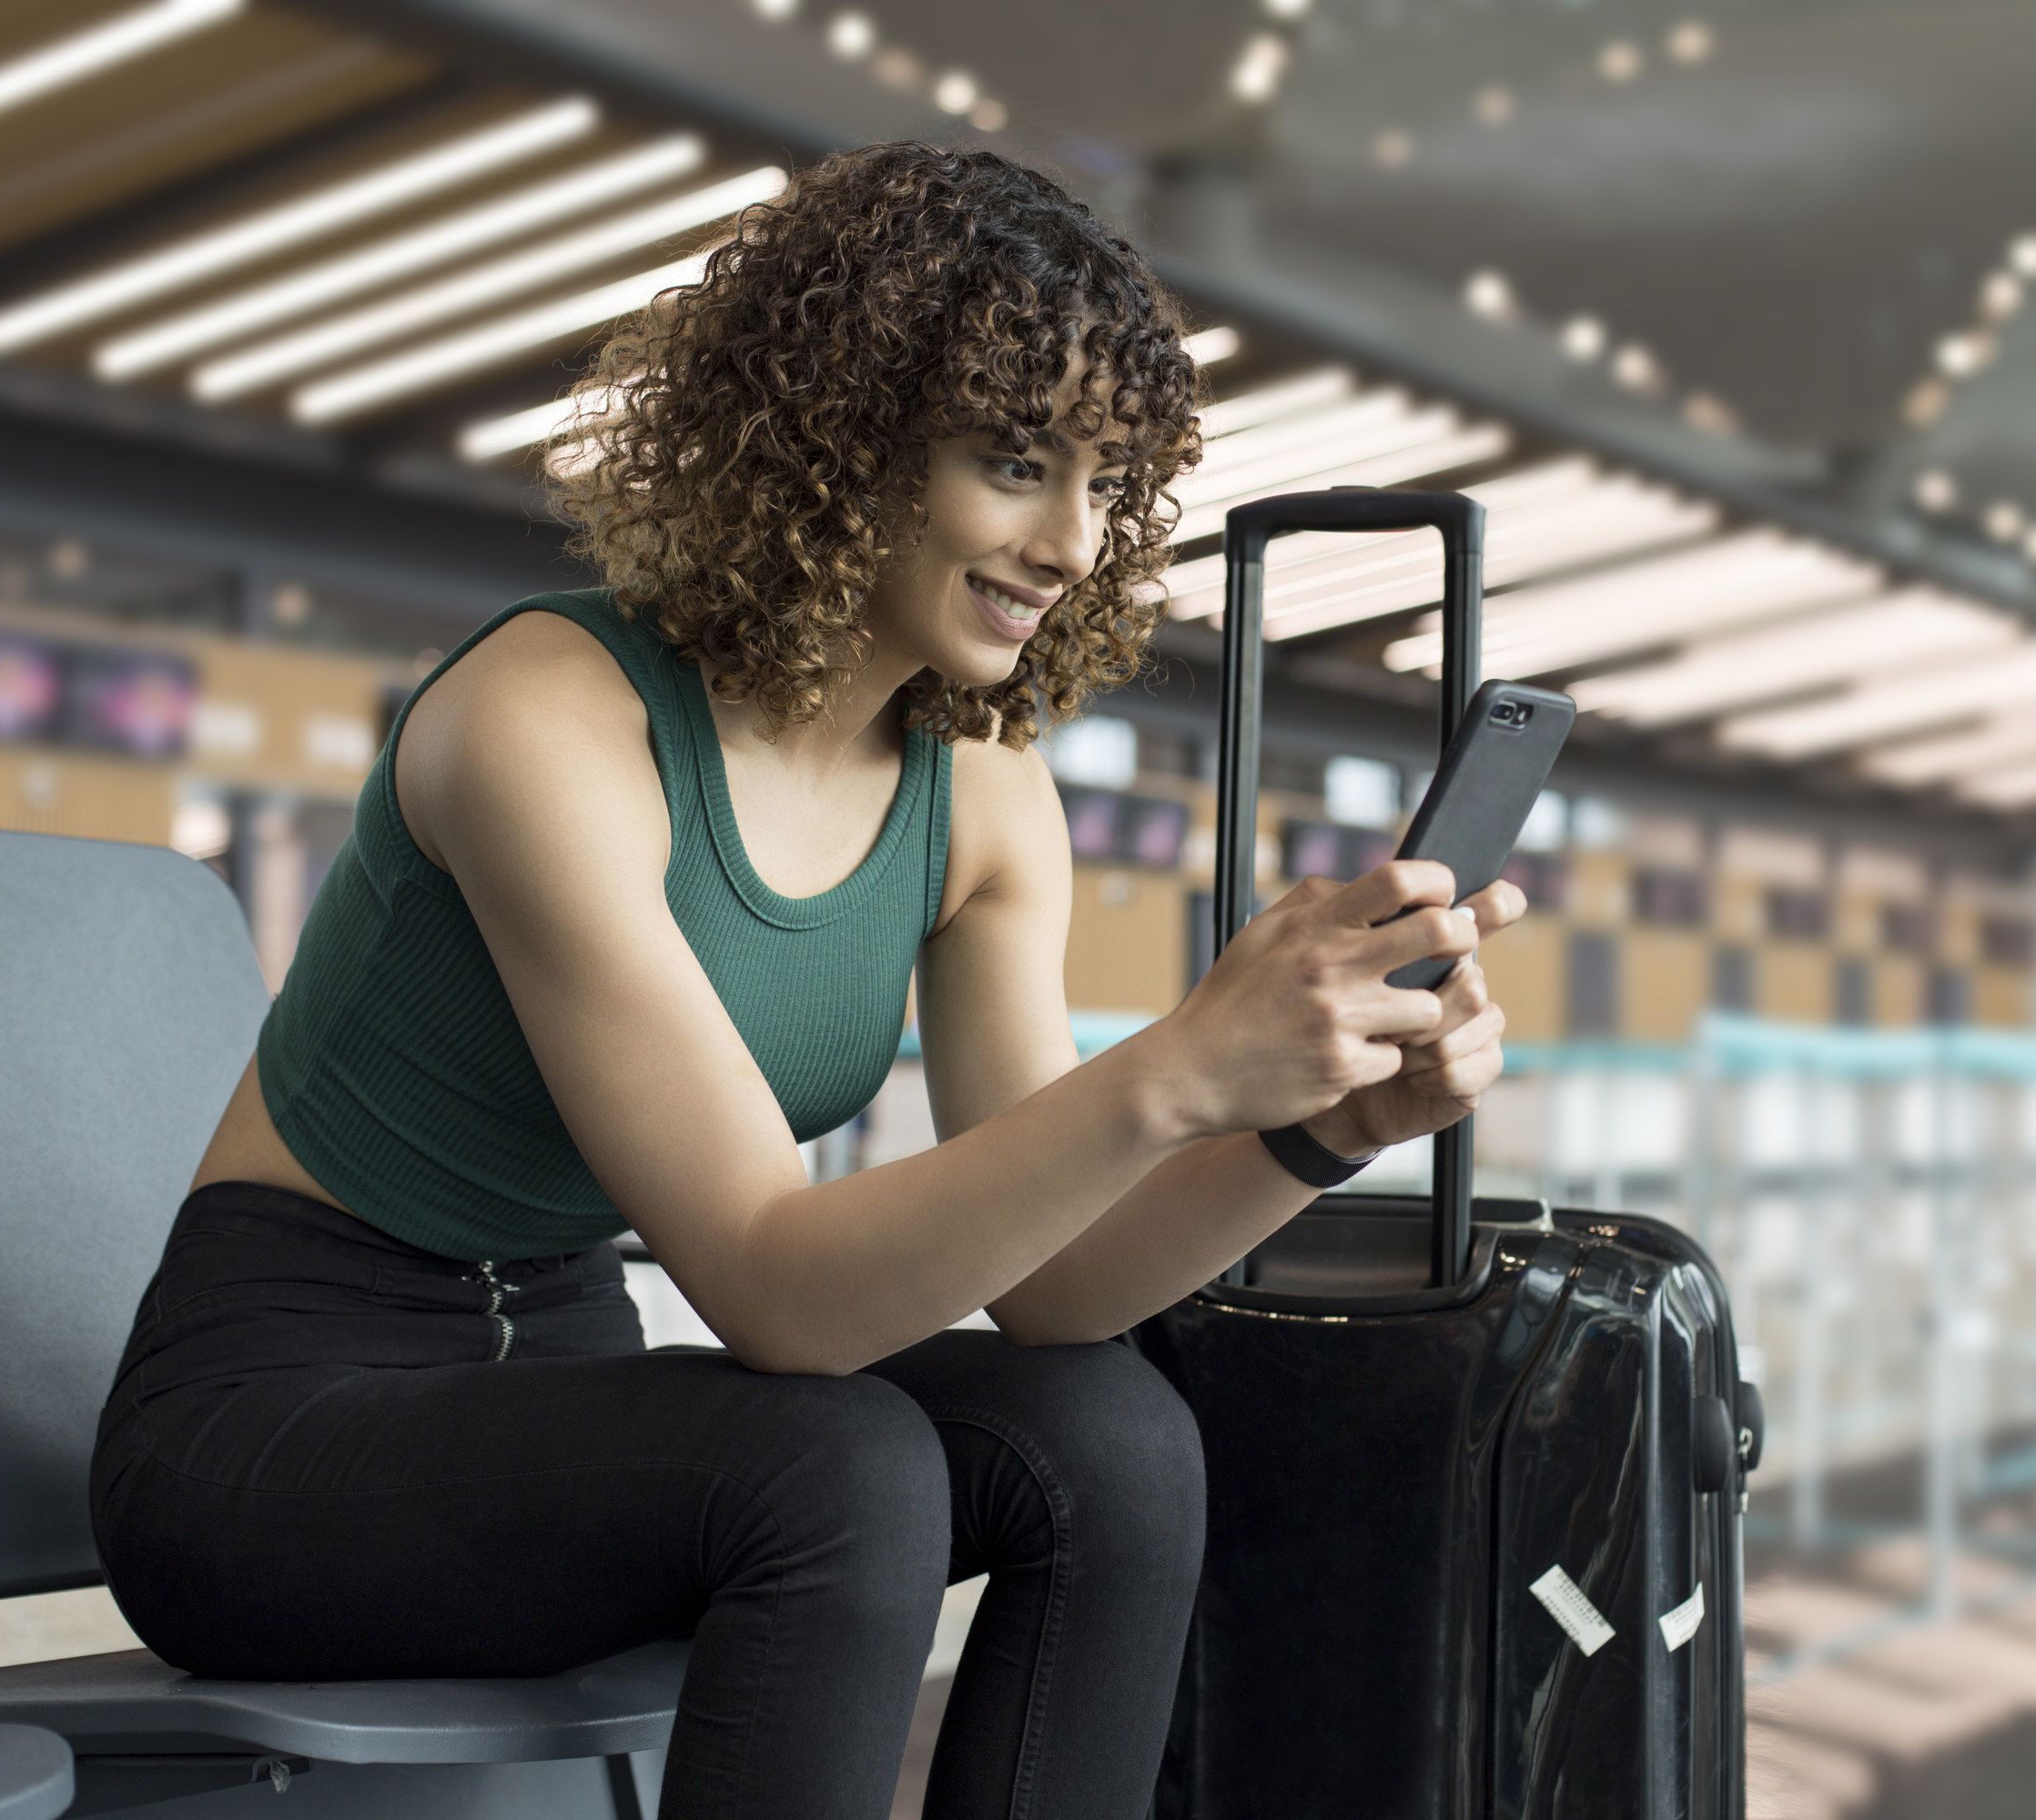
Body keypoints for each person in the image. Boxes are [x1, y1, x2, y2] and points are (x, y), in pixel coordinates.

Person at [89, 142, 1520, 1820]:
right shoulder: (549, 722)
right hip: (263, 1437)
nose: (1072, 541)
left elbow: (1056, 1296)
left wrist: (1310, 1130)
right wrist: (1173, 1072)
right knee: (835, 1471)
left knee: (1112, 1443)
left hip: (563, 1388)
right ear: (839, 438)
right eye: (1013, 463)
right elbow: (779, 1293)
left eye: (1107, 489)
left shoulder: (979, 797)